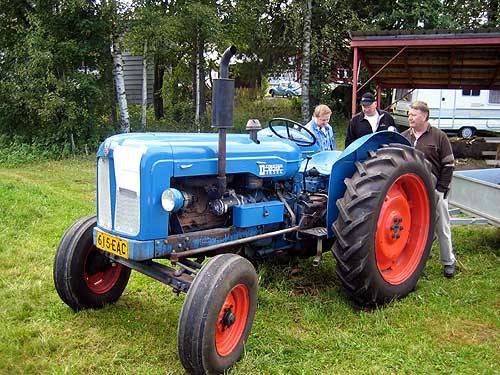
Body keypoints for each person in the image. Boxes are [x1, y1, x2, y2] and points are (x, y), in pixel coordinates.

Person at [402, 101, 457, 278]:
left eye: (414, 114)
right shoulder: (404, 137)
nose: (410, 117)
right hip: (412, 193)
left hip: (434, 189)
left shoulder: (439, 136)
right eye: (409, 114)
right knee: (415, 227)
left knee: (441, 227)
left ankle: (448, 262)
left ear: (425, 116)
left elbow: (449, 164)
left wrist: (441, 190)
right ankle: (418, 261)